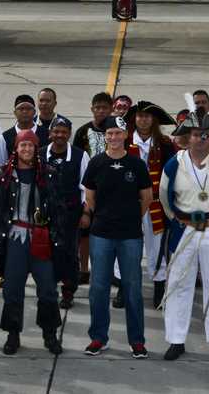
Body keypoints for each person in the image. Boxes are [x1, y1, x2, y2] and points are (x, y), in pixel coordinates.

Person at [158, 114, 209, 362]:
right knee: (178, 284)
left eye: (205, 135)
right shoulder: (175, 163)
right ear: (188, 137)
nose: (200, 140)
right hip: (184, 230)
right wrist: (176, 218)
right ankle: (176, 339)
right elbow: (164, 195)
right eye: (195, 135)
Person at [0, 131, 66, 355]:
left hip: (41, 238)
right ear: (16, 148)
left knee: (48, 288)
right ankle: (13, 335)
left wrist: (56, 236)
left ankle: (49, 335)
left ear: (36, 148)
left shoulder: (49, 174)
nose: (27, 150)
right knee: (12, 289)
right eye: (23, 146)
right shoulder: (4, 174)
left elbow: (60, 207)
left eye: (31, 146)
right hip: (14, 238)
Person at [81, 120, 153, 358]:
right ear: (105, 137)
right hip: (101, 234)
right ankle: (98, 338)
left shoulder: (136, 164)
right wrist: (105, 217)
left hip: (130, 235)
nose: (113, 137)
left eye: (117, 133)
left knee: (132, 288)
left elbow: (146, 198)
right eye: (109, 133)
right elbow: (90, 197)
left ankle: (137, 341)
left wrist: (131, 218)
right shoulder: (96, 163)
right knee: (98, 288)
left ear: (125, 135)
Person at [126, 101, 175, 308]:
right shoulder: (125, 141)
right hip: (131, 203)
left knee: (157, 248)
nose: (143, 120)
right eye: (139, 116)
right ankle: (125, 289)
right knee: (129, 247)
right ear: (134, 119)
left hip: (156, 204)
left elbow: (172, 174)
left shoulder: (164, 143)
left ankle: (159, 288)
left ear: (153, 120)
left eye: (147, 117)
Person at [42, 117, 88, 309]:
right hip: (44, 215)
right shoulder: (39, 154)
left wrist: (86, 213)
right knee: (46, 253)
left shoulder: (80, 156)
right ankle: (48, 287)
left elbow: (86, 187)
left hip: (70, 215)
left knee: (69, 254)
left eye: (64, 132)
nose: (59, 135)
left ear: (69, 134)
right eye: (56, 131)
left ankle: (68, 292)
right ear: (50, 133)